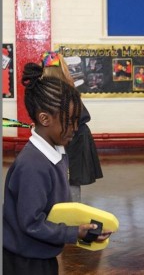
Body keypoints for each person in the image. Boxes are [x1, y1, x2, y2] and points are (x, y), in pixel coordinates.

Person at [3, 62, 112, 275]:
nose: (74, 128)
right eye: (69, 122)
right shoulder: (33, 166)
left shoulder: (57, 150)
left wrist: (80, 227)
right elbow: (31, 223)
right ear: (45, 119)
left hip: (40, 253)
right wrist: (73, 232)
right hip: (24, 261)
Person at [41, 51, 103, 202]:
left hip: (74, 138)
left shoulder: (61, 89)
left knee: (70, 177)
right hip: (68, 136)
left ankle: (71, 218)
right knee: (65, 177)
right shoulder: (62, 87)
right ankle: (67, 215)